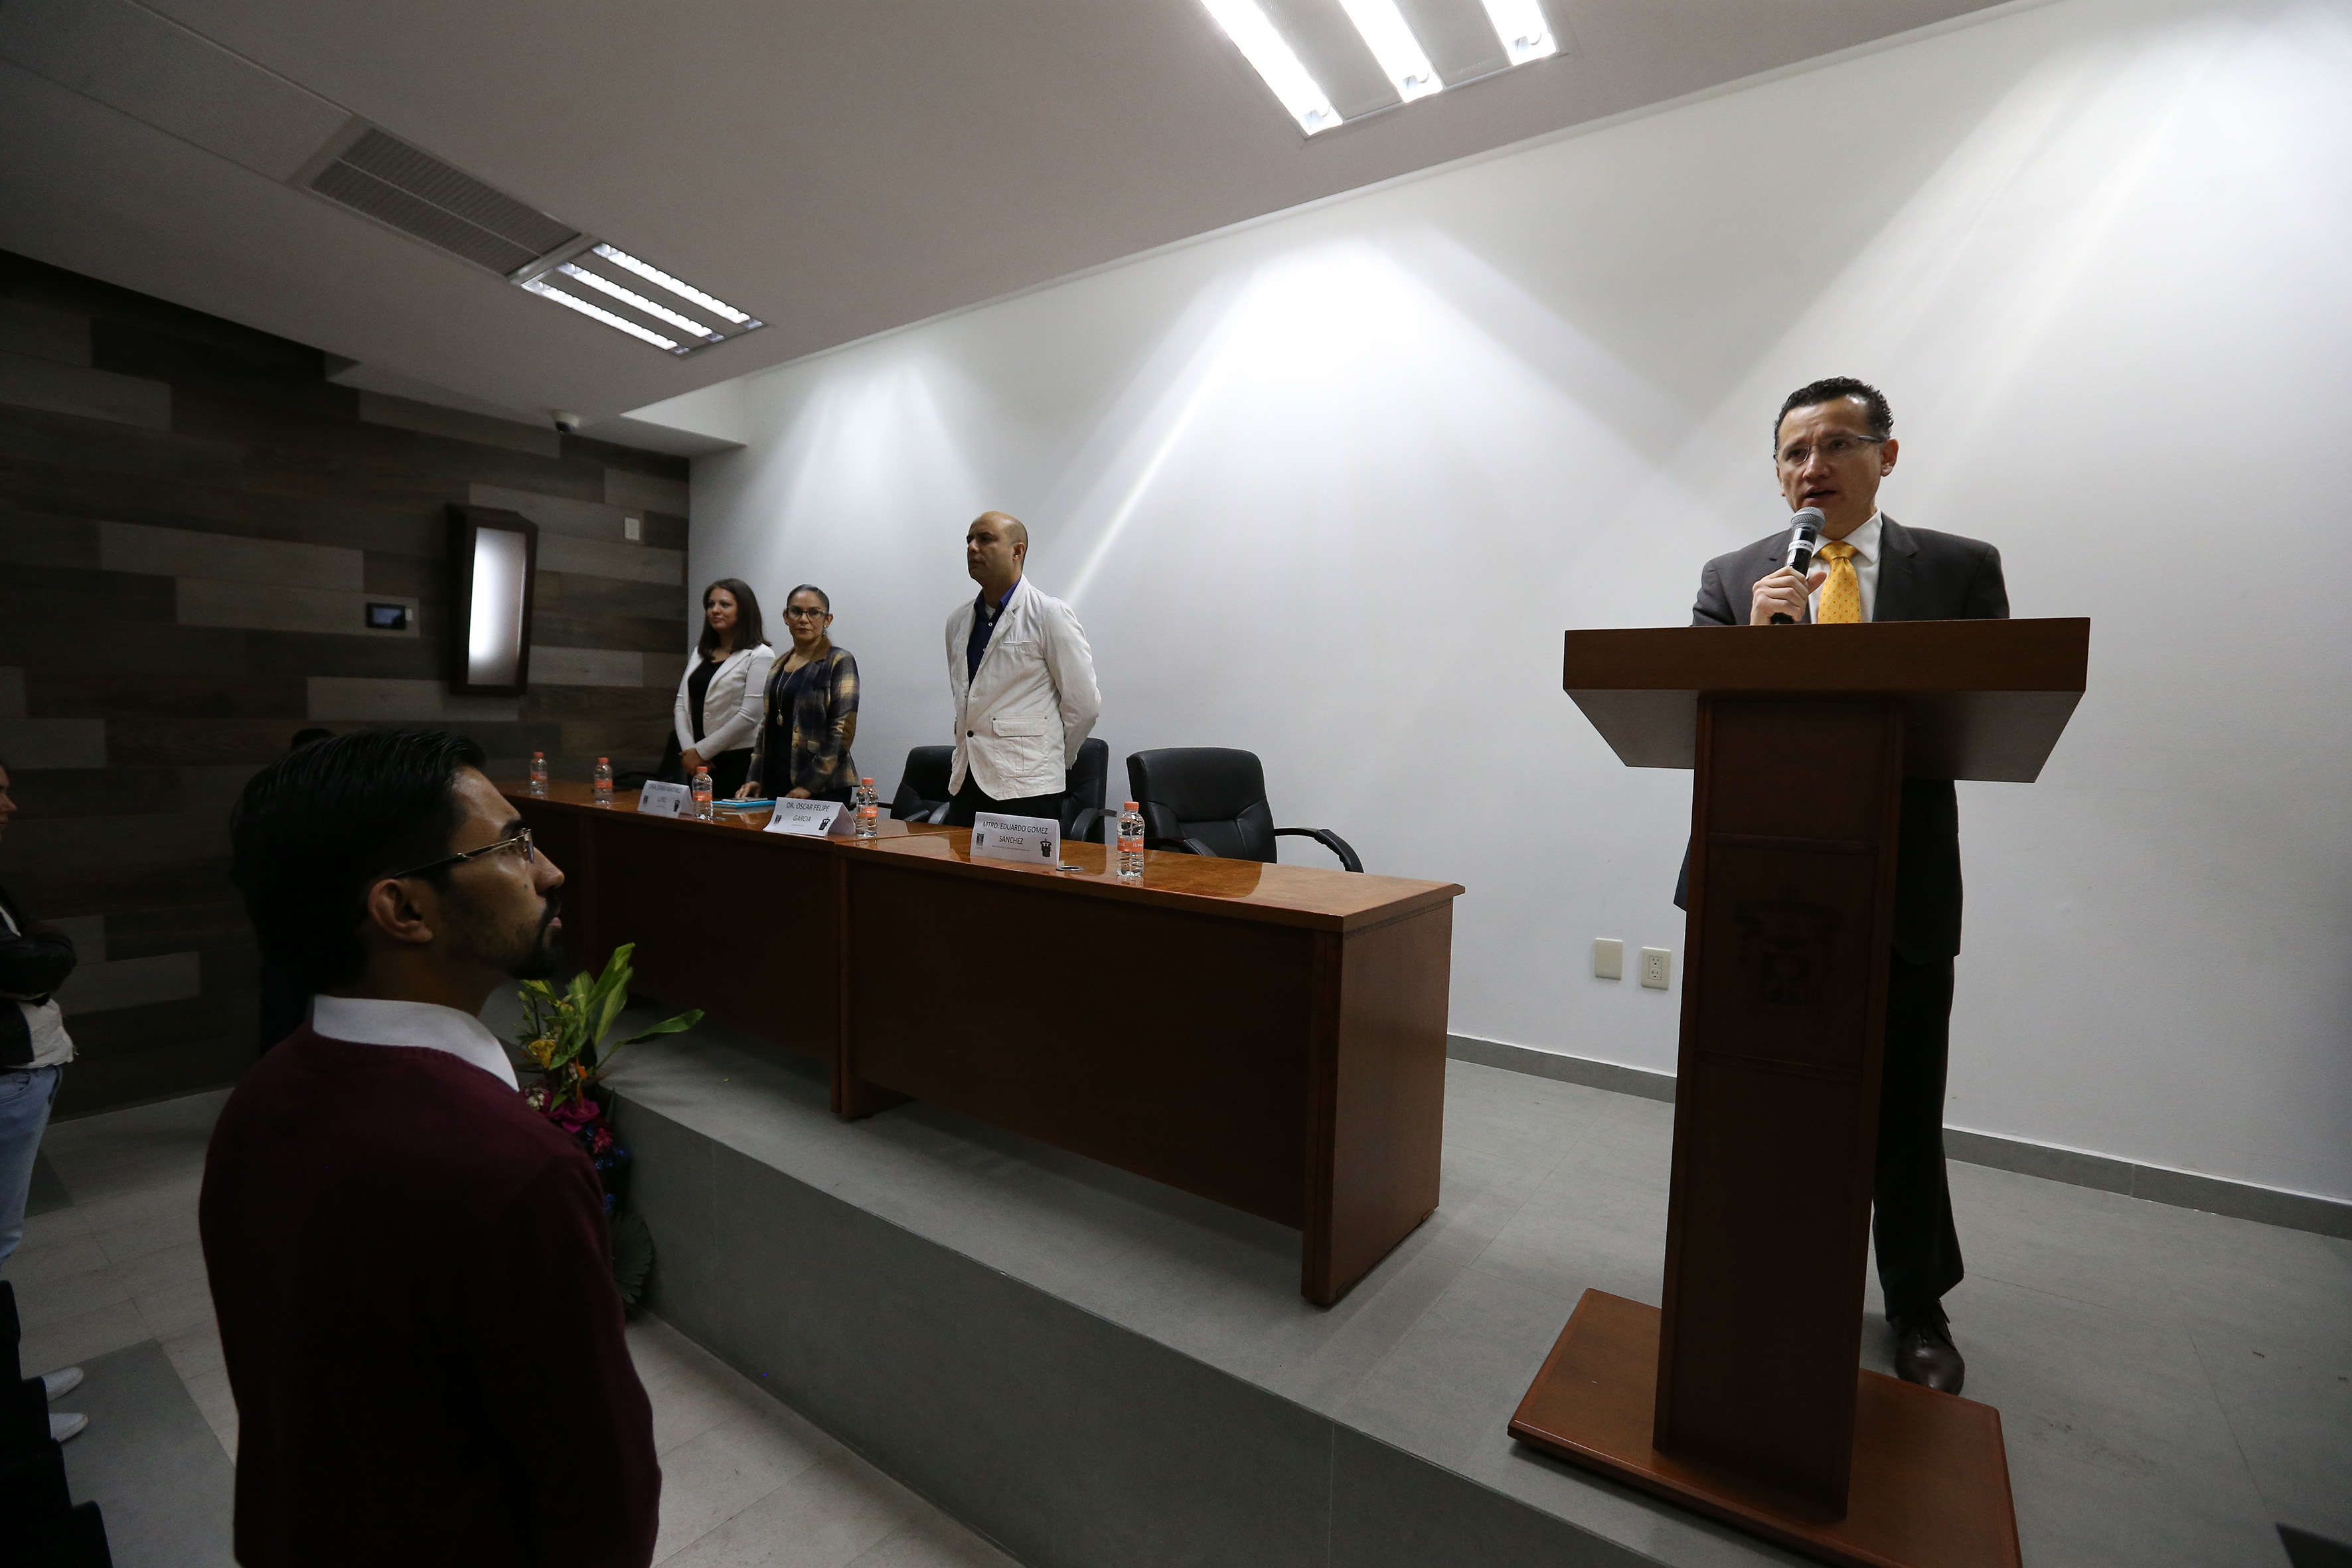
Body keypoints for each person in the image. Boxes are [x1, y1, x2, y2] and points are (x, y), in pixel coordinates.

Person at [204, 729, 659, 1567]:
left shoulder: (258, 1102)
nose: (551, 871)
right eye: (514, 845)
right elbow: (601, 1495)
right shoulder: (512, 1170)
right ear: (404, 909)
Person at [1684, 376, 2007, 1396]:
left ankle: (1915, 1304)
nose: (1808, 468)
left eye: (1832, 444)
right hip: (1754, 882)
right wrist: (1750, 644)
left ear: (1885, 455)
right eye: (1790, 452)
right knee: (1753, 1090)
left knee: (1902, 1103)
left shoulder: (1956, 569)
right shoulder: (1734, 576)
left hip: (1900, 876)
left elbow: (1984, 711)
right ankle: (1755, 1274)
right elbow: (1693, 720)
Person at [0, 755, 90, 1445]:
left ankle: (14, 1387)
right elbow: (31, 959)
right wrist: (42, 952)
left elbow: (38, 946)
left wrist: (41, 950)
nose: (11, 806)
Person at [942, 512, 1101, 828]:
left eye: (985, 539)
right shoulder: (958, 621)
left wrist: (1049, 756)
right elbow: (966, 699)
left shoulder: (1049, 614)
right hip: (967, 779)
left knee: (1019, 878)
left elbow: (1084, 706)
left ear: (1018, 551)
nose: (973, 548)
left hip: (1028, 787)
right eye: (969, 540)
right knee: (963, 877)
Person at [740, 584, 860, 805]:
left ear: (827, 620)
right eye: (796, 612)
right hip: (778, 779)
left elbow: (843, 729)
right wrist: (755, 776)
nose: (804, 619)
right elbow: (767, 726)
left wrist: (809, 785)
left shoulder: (838, 660)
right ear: (786, 617)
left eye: (814, 612)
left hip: (822, 785)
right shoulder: (779, 663)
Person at [672, 578, 773, 801]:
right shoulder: (701, 652)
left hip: (736, 759)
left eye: (725, 605)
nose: (715, 610)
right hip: (697, 763)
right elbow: (681, 704)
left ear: (744, 610)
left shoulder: (759, 654)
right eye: (710, 605)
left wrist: (702, 752)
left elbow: (750, 715)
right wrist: (690, 752)